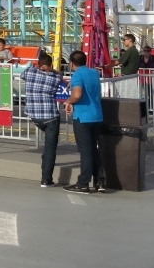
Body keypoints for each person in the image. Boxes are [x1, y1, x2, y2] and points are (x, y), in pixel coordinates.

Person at [63, 50, 105, 194]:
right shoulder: (93, 73)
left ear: (71, 63)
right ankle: (100, 181)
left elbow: (77, 95)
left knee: (85, 151)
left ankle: (83, 183)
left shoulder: (77, 75)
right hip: (97, 115)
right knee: (94, 149)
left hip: (83, 117)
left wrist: (68, 101)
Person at [23, 51, 63, 187]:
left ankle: (45, 159)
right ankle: (46, 179)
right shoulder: (55, 78)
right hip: (50, 116)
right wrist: (52, 70)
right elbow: (61, 76)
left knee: (48, 148)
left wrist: (37, 68)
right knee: (50, 148)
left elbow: (24, 74)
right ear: (50, 65)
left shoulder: (29, 72)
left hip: (34, 115)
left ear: (39, 64)